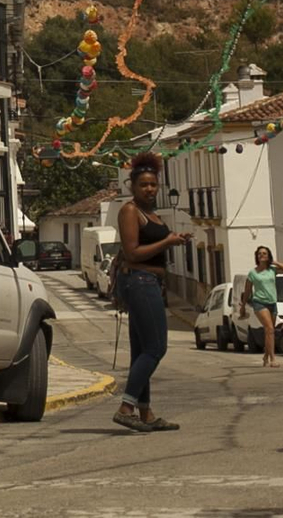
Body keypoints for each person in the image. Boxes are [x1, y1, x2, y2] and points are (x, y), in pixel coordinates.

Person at [111, 152, 192, 433]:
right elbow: (132, 252)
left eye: (153, 184)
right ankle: (126, 407)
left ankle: (145, 414)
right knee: (157, 348)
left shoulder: (151, 214)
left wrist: (175, 240)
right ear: (132, 186)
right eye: (144, 184)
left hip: (149, 282)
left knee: (141, 351)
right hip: (140, 282)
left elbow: (153, 245)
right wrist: (167, 242)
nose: (149, 189)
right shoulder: (130, 211)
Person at [240, 246, 283, 367]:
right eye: (259, 254)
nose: (262, 255)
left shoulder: (272, 270)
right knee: (269, 329)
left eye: (264, 253)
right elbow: (247, 290)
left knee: (269, 332)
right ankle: (273, 359)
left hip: (272, 302)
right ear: (256, 257)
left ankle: (266, 355)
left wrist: (275, 262)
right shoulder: (253, 273)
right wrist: (243, 305)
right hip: (259, 303)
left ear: (268, 256)